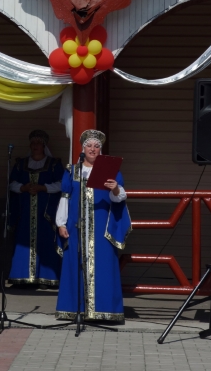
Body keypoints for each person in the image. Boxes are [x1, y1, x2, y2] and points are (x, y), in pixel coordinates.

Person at [55, 129, 131, 322]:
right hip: (76, 227)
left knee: (104, 267)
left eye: (96, 146)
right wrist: (61, 223)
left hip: (101, 229)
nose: (92, 149)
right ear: (83, 149)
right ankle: (75, 309)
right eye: (89, 145)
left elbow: (120, 197)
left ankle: (104, 310)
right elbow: (65, 198)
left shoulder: (110, 171)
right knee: (75, 266)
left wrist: (115, 189)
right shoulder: (72, 171)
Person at [8, 129, 64, 288]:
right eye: (33, 143)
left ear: (44, 146)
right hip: (25, 212)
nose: (35, 146)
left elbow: (62, 184)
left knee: (45, 242)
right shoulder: (20, 164)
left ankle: (45, 278)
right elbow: (11, 183)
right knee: (23, 242)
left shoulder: (54, 164)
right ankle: (22, 278)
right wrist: (23, 188)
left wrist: (43, 188)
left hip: (45, 213)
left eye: (39, 143)